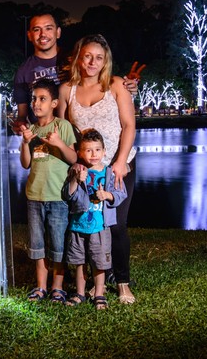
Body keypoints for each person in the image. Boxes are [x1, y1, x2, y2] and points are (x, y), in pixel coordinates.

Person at [57, 33, 138, 304]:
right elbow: (66, 133)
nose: (92, 62)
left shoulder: (116, 85)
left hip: (117, 166)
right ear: (79, 57)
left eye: (99, 58)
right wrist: (76, 164)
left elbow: (129, 125)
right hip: (87, 170)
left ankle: (123, 283)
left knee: (117, 225)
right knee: (91, 225)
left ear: (106, 62)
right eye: (88, 56)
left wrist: (120, 161)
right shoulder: (67, 90)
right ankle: (96, 282)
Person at [18, 77, 78, 303]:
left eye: (42, 99)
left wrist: (59, 144)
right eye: (34, 99)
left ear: (54, 103)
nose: (36, 103)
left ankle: (57, 287)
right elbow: (25, 164)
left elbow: (73, 158)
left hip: (57, 196)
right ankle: (40, 287)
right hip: (34, 195)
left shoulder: (62, 127)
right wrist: (24, 143)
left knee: (58, 243)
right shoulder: (31, 130)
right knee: (37, 244)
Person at [62, 128, 127, 310]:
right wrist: (75, 179)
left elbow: (121, 194)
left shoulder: (109, 173)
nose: (93, 154)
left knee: (99, 262)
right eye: (88, 150)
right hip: (78, 225)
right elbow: (67, 195)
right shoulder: (76, 171)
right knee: (79, 261)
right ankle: (80, 293)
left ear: (104, 151)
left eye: (97, 150)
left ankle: (99, 293)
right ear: (80, 152)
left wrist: (107, 195)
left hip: (100, 226)